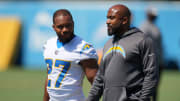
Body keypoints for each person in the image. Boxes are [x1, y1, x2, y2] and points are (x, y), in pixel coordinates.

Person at [87, 4, 159, 101]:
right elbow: (100, 79)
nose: (107, 22)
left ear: (124, 20)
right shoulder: (108, 43)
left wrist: (143, 99)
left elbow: (151, 75)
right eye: (107, 18)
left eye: (111, 18)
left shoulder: (142, 40)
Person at [43, 9, 99, 101]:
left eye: (68, 25)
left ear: (73, 24)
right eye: (60, 27)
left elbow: (96, 81)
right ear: (54, 27)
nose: (65, 30)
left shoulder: (83, 48)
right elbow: (50, 76)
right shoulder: (48, 44)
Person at [140, 7, 163, 101]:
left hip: (158, 60)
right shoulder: (144, 26)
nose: (154, 17)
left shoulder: (155, 27)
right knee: (148, 87)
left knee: (155, 87)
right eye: (152, 15)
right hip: (149, 62)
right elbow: (142, 44)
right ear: (148, 14)